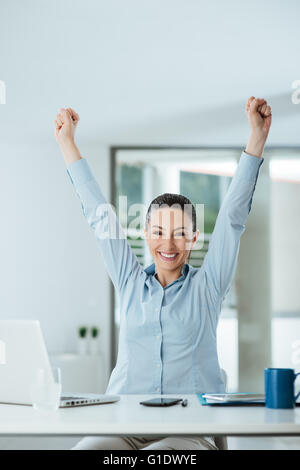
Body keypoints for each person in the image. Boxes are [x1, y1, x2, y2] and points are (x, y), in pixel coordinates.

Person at [54, 96, 272, 450]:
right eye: (158, 232)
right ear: (146, 234)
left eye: (179, 232)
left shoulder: (207, 287)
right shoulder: (129, 282)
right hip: (125, 422)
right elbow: (99, 216)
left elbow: (232, 217)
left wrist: (256, 138)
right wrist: (68, 143)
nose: (168, 243)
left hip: (189, 428)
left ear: (195, 237)